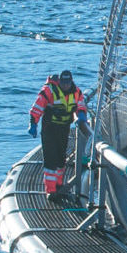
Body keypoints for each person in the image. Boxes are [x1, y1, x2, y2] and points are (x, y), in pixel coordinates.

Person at [27, 70, 87, 200]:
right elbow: (37, 107)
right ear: (59, 81)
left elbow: (81, 104)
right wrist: (33, 124)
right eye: (63, 83)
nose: (65, 85)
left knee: (61, 159)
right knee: (51, 160)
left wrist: (81, 114)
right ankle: (51, 191)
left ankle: (59, 185)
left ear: (71, 81)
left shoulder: (76, 92)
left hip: (63, 129)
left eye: (68, 83)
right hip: (49, 130)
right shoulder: (49, 91)